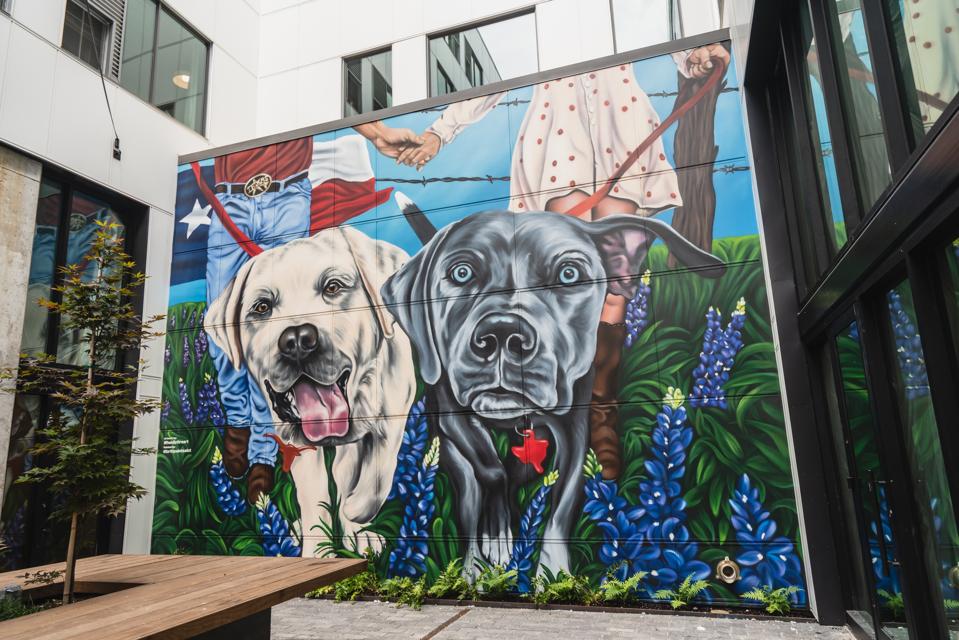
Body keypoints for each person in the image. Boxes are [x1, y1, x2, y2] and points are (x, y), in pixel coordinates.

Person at [397, 45, 729, 479]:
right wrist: (440, 131)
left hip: (622, 123)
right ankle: (540, 418)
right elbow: (495, 75)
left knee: (613, 291)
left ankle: (601, 416)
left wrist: (693, 58)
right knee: (553, 280)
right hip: (556, 135)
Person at [205, 123, 423, 501]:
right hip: (229, 199)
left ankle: (262, 451)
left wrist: (375, 134)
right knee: (231, 334)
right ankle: (237, 421)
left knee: (279, 328)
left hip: (287, 191)